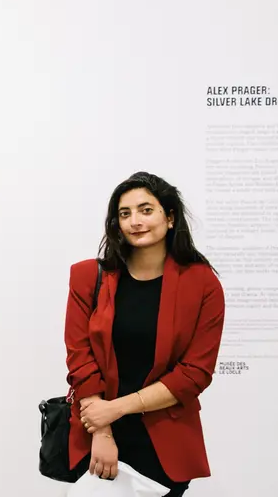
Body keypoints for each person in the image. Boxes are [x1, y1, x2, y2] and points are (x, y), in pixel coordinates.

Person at [64, 171, 225, 496]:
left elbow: (194, 374)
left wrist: (118, 407)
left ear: (169, 218)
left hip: (165, 441)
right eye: (125, 213)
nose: (135, 220)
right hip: (97, 436)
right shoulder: (86, 277)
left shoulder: (203, 284)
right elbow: (80, 359)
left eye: (146, 210)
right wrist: (103, 429)